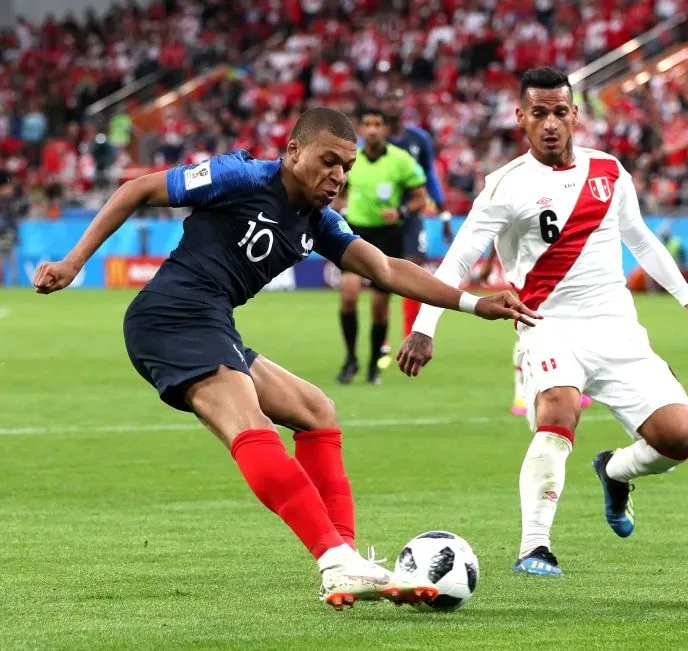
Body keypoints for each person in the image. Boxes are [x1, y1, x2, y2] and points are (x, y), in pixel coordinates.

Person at [33, 107, 537, 609]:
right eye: (328, 160)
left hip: (211, 323)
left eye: (347, 167)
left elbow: (385, 268)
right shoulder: (240, 175)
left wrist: (474, 303)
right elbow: (138, 189)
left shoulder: (320, 223)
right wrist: (74, 261)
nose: (338, 176)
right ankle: (335, 559)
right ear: (294, 151)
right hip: (171, 317)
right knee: (250, 422)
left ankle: (342, 562)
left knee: (317, 412)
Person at [396, 67, 688, 576]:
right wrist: (425, 326)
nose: (550, 123)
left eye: (559, 112)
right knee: (559, 410)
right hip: (546, 324)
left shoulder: (610, 172)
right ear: (520, 118)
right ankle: (535, 546)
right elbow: (457, 262)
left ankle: (614, 472)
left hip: (617, 328)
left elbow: (640, 240)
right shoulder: (505, 186)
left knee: (679, 438)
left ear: (574, 114)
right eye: (539, 114)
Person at [334, 107, 428, 385]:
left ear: (386, 129)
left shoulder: (401, 161)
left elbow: (420, 198)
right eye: (367, 124)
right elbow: (340, 195)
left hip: (388, 237)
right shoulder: (350, 159)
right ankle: (351, 358)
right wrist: (338, 209)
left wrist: (400, 211)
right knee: (348, 295)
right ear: (361, 129)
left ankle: (374, 363)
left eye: (378, 124)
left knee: (378, 306)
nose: (372, 129)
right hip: (355, 234)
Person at [477, 245, 594, 416]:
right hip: (532, 271)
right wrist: (489, 262)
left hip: (562, 268)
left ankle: (575, 384)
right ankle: (521, 396)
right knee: (532, 326)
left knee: (568, 324)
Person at [380, 87, 454, 347]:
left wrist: (444, 213)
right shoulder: (373, 143)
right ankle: (382, 340)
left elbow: (430, 177)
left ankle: (409, 335)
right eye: (388, 99)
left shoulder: (419, 139)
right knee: (381, 278)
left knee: (412, 271)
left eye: (397, 98)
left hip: (411, 216)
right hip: (381, 219)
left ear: (403, 105)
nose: (392, 103)